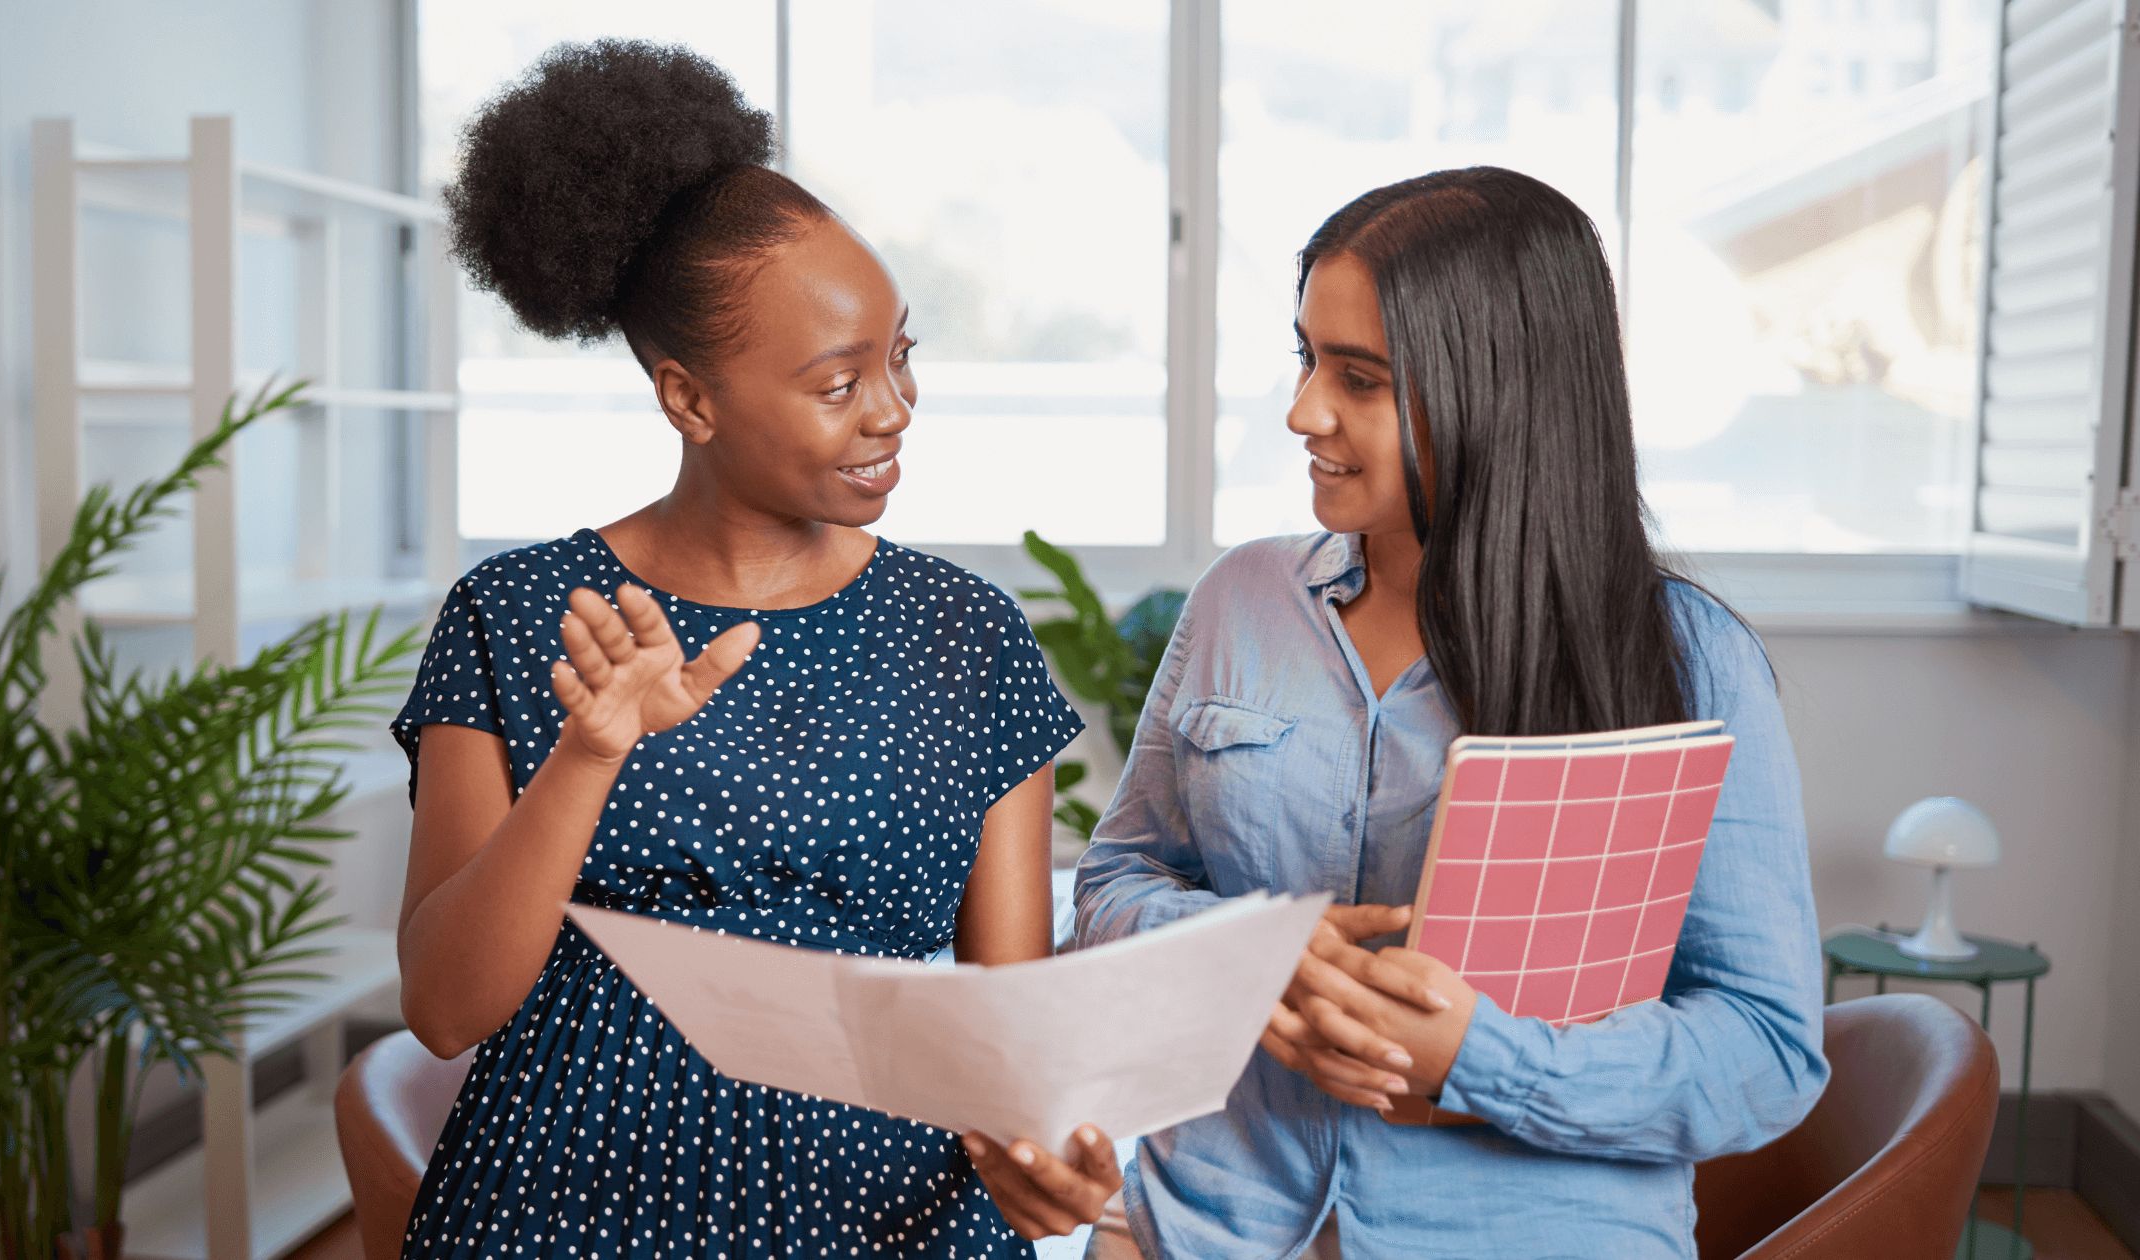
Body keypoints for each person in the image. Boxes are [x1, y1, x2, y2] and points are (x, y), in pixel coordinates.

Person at [391, 41, 1120, 1258]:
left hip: (896, 1217)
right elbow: (446, 1009)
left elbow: (1005, 1022)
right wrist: (590, 753)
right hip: (569, 1213)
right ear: (690, 400)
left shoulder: (968, 635)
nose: (890, 408)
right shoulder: (519, 614)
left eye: (900, 356)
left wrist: (1044, 1151)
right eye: (838, 381)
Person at [1071, 167, 1829, 1259]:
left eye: (1360, 378)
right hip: (1205, 1229)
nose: (1302, 412)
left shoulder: (1680, 658)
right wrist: (1245, 951)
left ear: (1499, 388)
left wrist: (1474, 1059)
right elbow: (1109, 890)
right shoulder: (1239, 602)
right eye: (1304, 356)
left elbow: (1765, 1050)